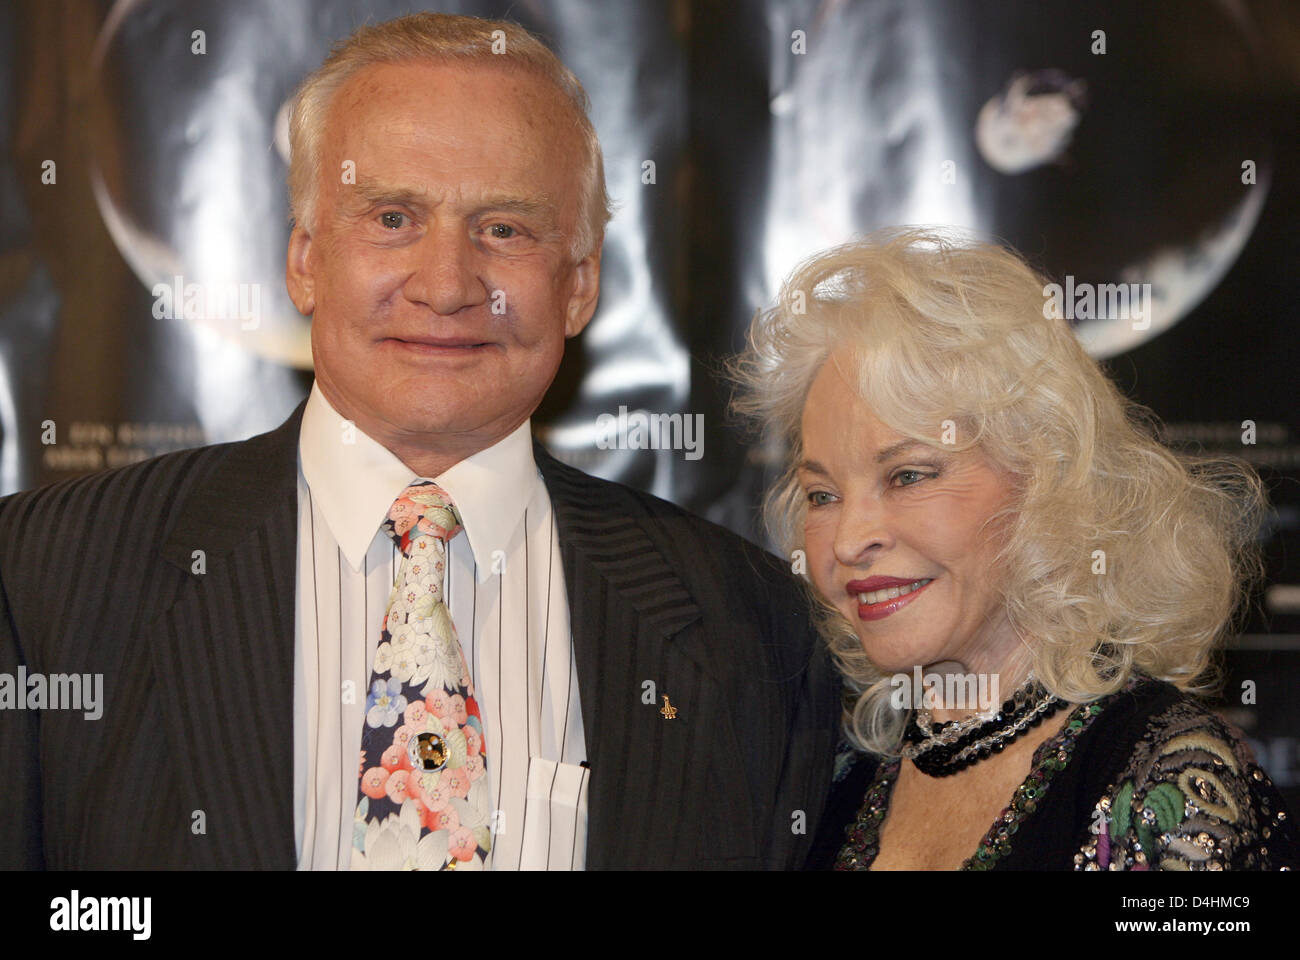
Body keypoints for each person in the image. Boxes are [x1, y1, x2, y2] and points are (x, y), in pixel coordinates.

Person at [0, 12, 837, 870]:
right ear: (303, 261)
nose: (446, 285)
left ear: (580, 286)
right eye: (393, 217)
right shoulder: (44, 581)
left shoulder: (750, 627)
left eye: (504, 228)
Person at [732, 226, 1298, 870]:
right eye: (822, 494)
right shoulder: (827, 784)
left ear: (1045, 479)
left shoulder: (1163, 783)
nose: (850, 540)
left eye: (909, 476)